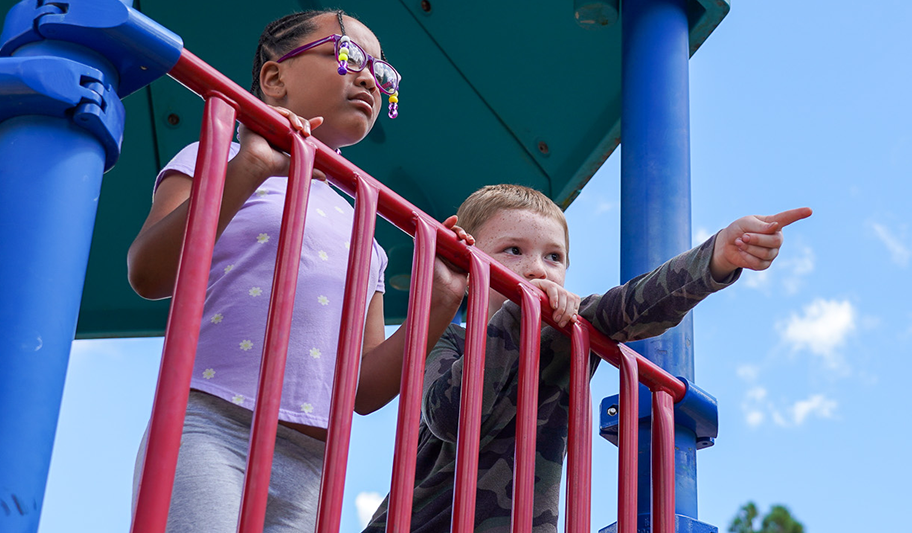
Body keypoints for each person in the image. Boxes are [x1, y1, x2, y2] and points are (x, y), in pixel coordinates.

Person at [125, 10, 470, 533]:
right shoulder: (215, 156)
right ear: (274, 78)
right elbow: (150, 274)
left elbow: (363, 389)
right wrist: (250, 168)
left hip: (314, 463)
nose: (367, 79)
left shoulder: (365, 230)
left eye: (382, 73)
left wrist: (440, 300)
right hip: (213, 426)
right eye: (347, 55)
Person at [360, 184, 812, 533]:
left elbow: (637, 304)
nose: (538, 268)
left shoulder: (569, 329)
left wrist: (715, 257)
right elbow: (451, 415)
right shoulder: (446, 340)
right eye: (513, 251)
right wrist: (520, 312)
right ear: (466, 261)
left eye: (553, 257)